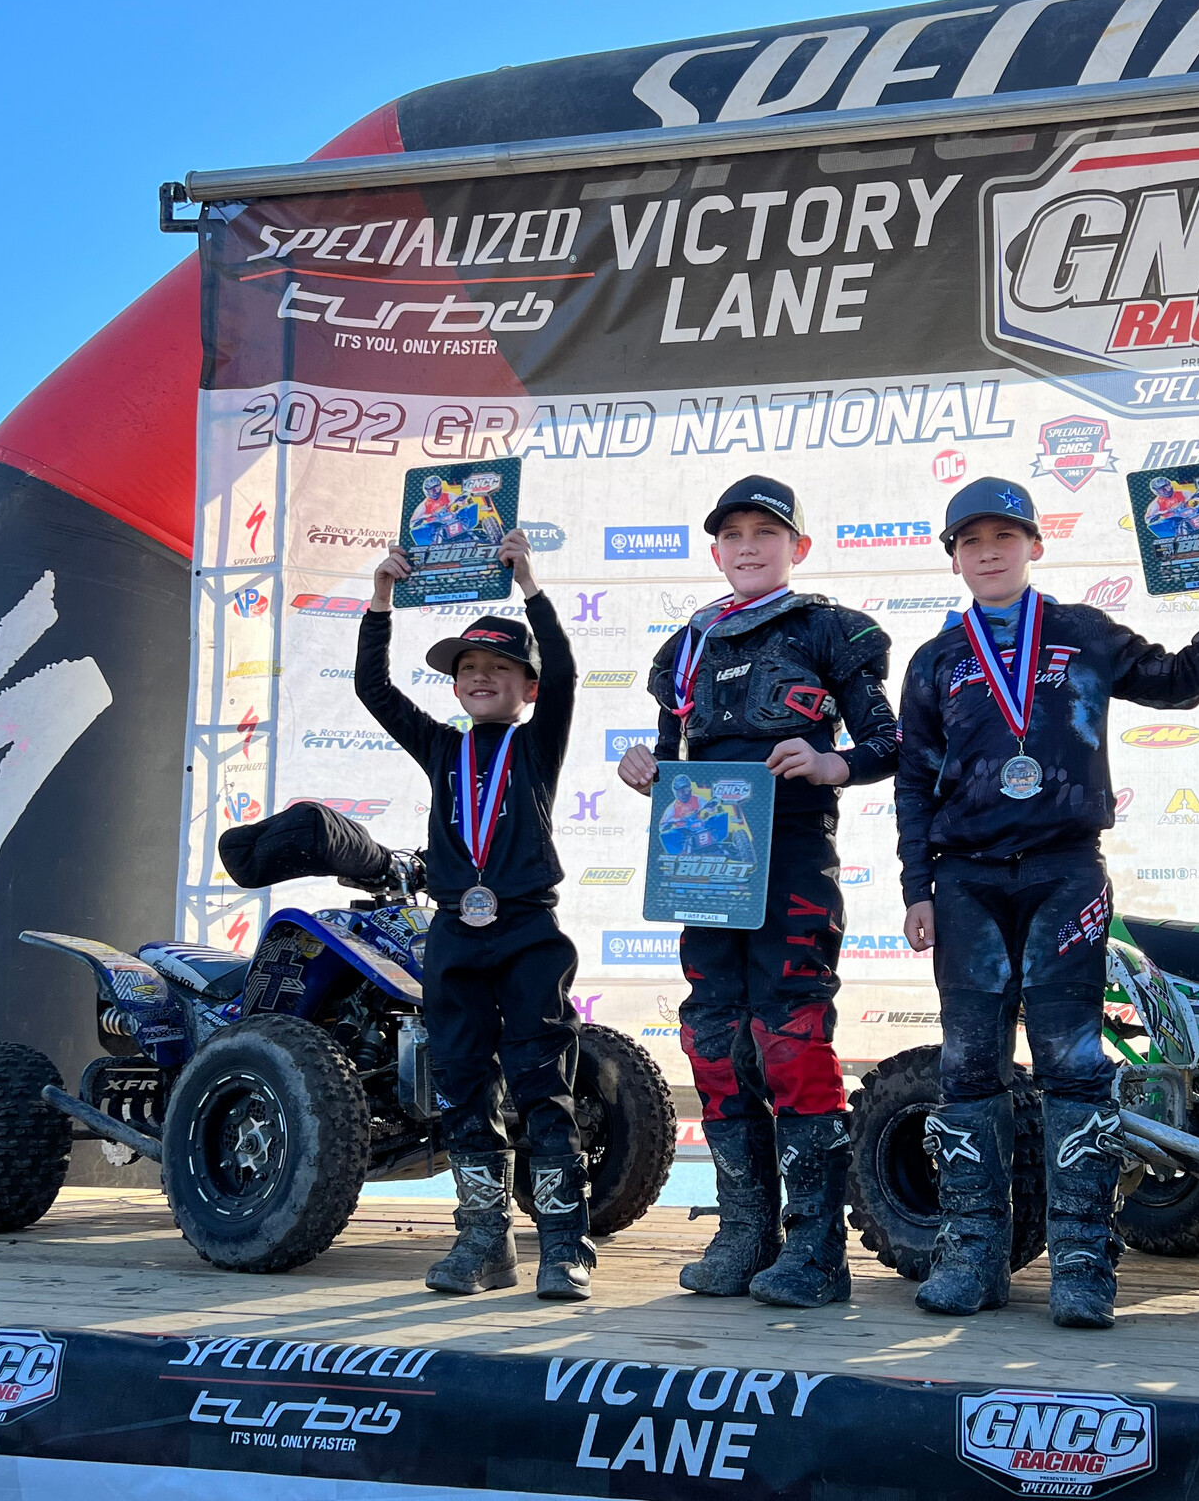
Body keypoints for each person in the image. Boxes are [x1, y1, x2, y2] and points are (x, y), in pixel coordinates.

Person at [895, 477, 1199, 1329]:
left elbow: (1181, 683)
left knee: (1074, 1063)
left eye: (1005, 535)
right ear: (954, 557)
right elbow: (912, 783)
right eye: (971, 541)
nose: (989, 551)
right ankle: (973, 1256)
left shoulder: (1080, 633)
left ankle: (1082, 1259)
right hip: (965, 882)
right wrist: (915, 888)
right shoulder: (935, 660)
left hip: (1065, 872)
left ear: (1035, 545)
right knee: (969, 1065)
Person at [617, 475, 898, 1309]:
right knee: (711, 1031)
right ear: (714, 550)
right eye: (732, 534)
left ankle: (816, 1248)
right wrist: (645, 769)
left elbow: (886, 741)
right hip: (704, 855)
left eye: (765, 533)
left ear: (797, 548)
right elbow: (669, 753)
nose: (747, 546)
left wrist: (831, 763)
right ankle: (744, 1230)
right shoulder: (689, 644)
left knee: (791, 1029)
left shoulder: (832, 631)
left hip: (793, 855)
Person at [356, 529, 592, 1302]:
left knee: (539, 1081)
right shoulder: (438, 747)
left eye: (500, 668)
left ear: (525, 688)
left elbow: (565, 670)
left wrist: (531, 583)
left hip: (527, 930)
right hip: (455, 931)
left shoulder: (536, 744)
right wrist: (382, 598)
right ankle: (483, 1244)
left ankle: (564, 1246)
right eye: (469, 669)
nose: (482, 677)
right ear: (456, 687)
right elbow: (374, 690)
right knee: (459, 1084)